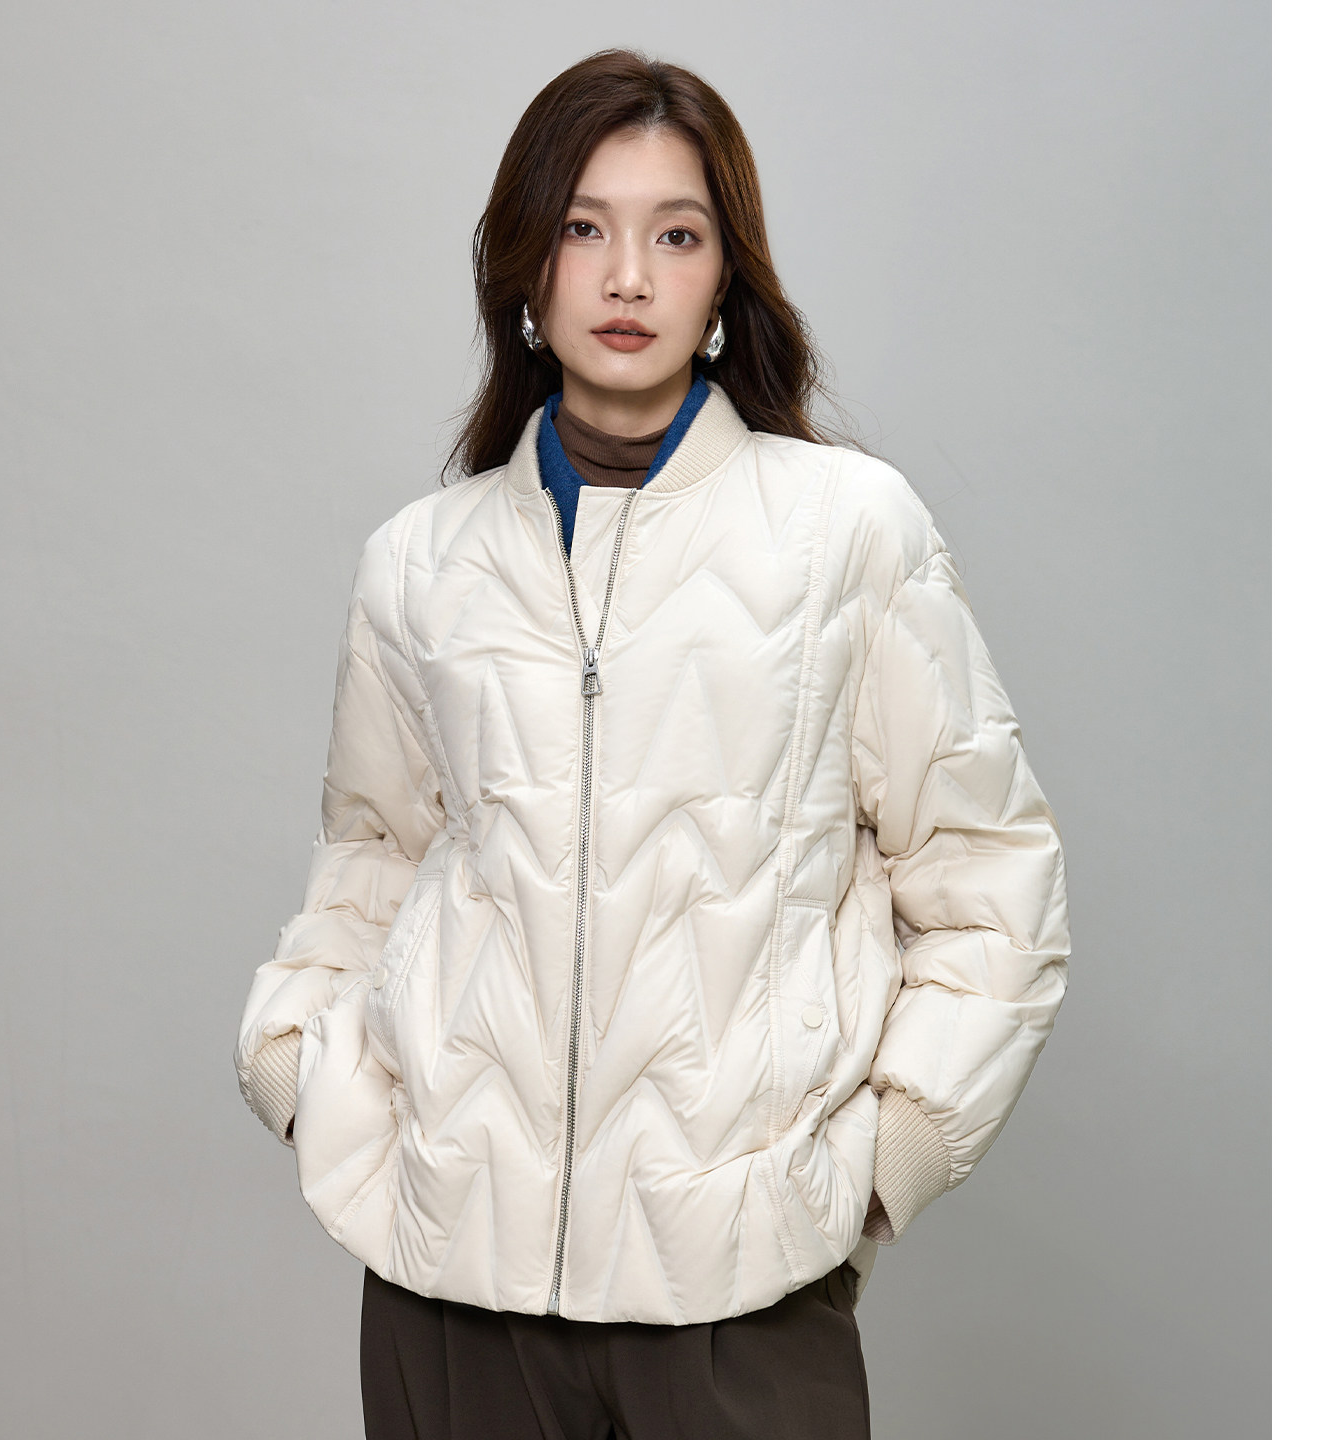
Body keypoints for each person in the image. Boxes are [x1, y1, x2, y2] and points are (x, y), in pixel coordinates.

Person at [234, 48, 1071, 1440]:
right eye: (585, 228)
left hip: (744, 1293)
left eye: (676, 236)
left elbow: (990, 878)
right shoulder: (420, 563)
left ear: (726, 278)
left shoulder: (848, 532)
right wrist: (292, 1061)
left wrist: (892, 1154)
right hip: (453, 1287)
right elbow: (374, 863)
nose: (628, 278)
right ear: (527, 267)